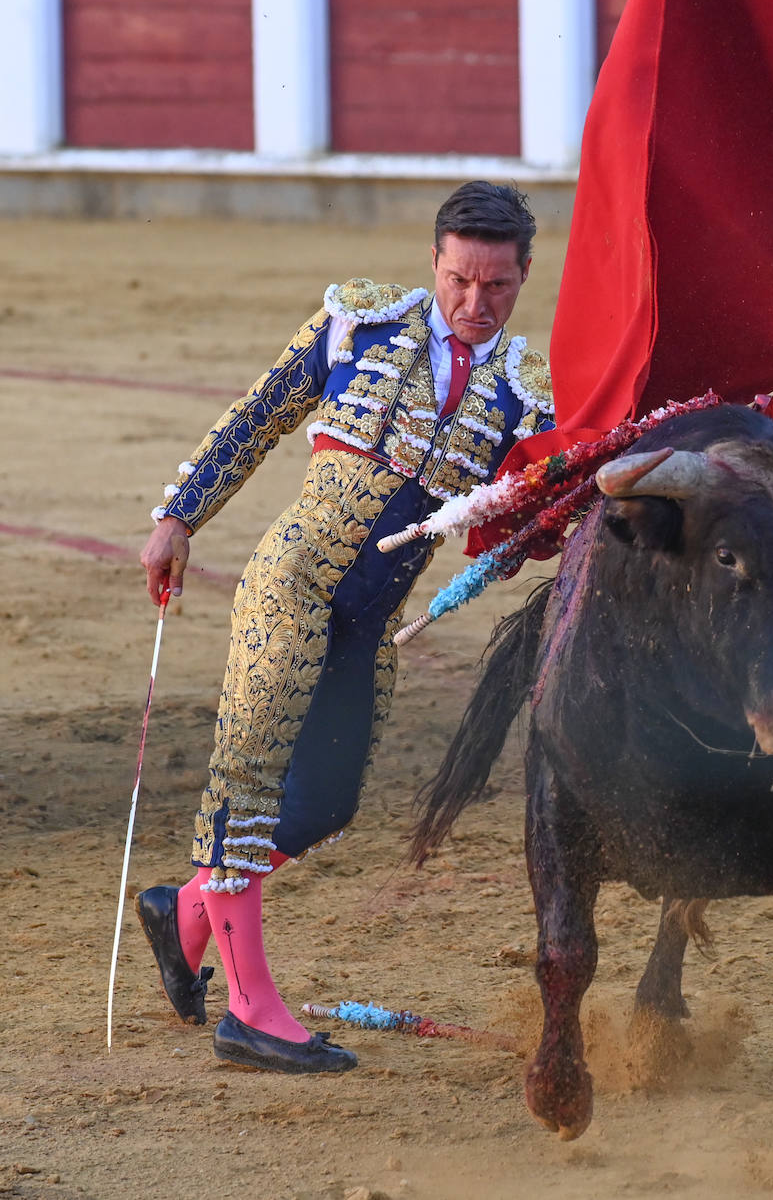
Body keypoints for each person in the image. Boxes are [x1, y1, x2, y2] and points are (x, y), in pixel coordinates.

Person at [135, 181, 553, 1074]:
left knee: (325, 803)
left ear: (523, 277)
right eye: (458, 281)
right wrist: (179, 515)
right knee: (245, 789)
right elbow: (259, 417)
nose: (473, 305)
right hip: (291, 586)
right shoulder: (358, 327)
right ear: (434, 262)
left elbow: (531, 522)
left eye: (496, 289)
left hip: (368, 623)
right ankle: (250, 1013)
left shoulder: (525, 394)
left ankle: (186, 915)